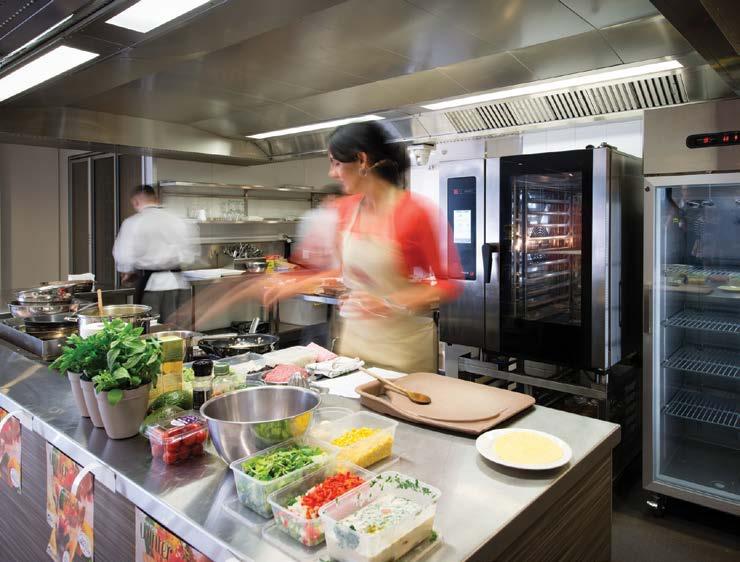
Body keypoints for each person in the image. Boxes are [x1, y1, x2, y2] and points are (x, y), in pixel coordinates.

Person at [201, 122, 462, 373]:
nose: (332, 173)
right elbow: (340, 270)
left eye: (336, 163)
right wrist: (289, 285)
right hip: (356, 350)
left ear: (362, 160)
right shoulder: (346, 209)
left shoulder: (415, 212)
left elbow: (448, 283)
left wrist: (389, 301)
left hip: (404, 355)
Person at [112, 185, 198, 326]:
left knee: (150, 328)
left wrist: (127, 273)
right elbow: (190, 254)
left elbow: (124, 256)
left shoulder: (133, 223)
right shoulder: (177, 220)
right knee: (177, 328)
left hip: (151, 286)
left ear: (136, 202)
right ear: (156, 199)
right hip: (178, 283)